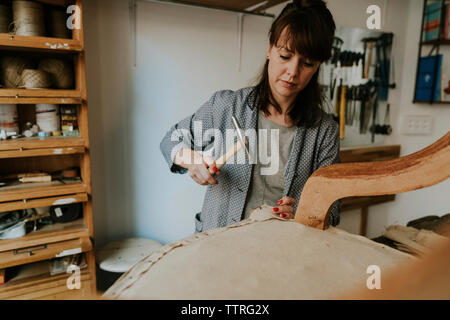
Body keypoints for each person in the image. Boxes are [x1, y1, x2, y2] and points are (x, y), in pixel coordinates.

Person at [160, 0, 340, 233]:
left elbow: (333, 209)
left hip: (281, 253)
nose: (293, 72)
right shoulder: (226, 106)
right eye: (285, 55)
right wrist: (191, 160)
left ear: (317, 67)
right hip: (217, 247)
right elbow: (171, 140)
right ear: (269, 49)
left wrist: (302, 215)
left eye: (307, 63)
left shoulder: (324, 131)